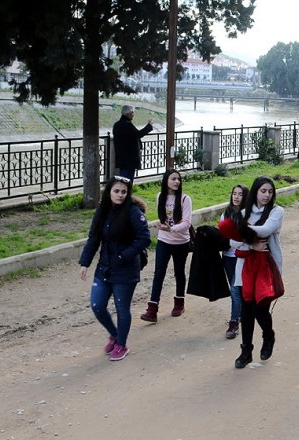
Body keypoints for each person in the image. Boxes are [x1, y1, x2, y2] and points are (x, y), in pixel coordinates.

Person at [79, 176, 151, 361]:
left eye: (123, 192)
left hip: (126, 270)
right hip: (104, 268)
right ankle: (114, 334)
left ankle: (121, 345)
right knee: (97, 305)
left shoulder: (133, 213)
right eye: (116, 191)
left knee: (122, 308)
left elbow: (144, 239)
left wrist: (123, 255)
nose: (120, 195)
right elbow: (93, 238)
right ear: (109, 192)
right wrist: (85, 263)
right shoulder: (102, 211)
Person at [233, 176, 284, 369]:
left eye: (270, 192)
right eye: (263, 191)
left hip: (266, 269)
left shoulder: (277, 212)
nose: (267, 195)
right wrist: (250, 243)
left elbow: (266, 230)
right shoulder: (244, 213)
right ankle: (246, 351)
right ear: (255, 191)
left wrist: (241, 230)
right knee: (246, 310)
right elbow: (232, 242)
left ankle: (268, 335)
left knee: (259, 307)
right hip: (244, 267)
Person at [140, 170, 193, 322]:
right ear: (166, 180)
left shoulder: (184, 199)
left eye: (178, 179)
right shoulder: (160, 196)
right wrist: (161, 225)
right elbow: (163, 217)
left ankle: (179, 302)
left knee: (179, 272)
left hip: (181, 242)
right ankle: (152, 309)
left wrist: (171, 229)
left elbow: (186, 223)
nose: (177, 182)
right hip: (164, 241)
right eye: (173, 179)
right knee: (158, 273)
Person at [221, 184, 247, 339]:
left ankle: (233, 322)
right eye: (234, 193)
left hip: (241, 257)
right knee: (235, 289)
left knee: (235, 290)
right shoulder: (226, 214)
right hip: (227, 257)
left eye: (240, 194)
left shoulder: (247, 215)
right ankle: (242, 312)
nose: (236, 197)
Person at [112, 105, 153, 181]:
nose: (133, 115)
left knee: (124, 178)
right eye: (132, 113)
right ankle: (125, 192)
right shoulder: (127, 125)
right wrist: (149, 126)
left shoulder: (117, 124)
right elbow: (138, 134)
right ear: (128, 114)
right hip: (129, 159)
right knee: (126, 180)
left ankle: (124, 191)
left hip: (122, 157)